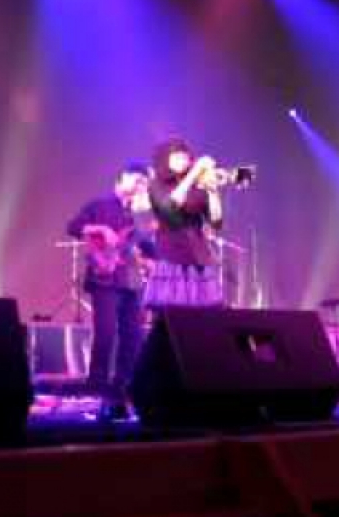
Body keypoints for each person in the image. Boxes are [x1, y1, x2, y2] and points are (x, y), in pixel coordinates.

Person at [67, 162, 152, 420]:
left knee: (133, 337)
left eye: (144, 183)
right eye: (137, 180)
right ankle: (97, 388)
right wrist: (100, 229)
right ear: (122, 179)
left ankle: (121, 388)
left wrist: (155, 258)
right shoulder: (99, 204)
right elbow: (73, 227)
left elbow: (147, 246)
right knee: (105, 333)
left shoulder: (138, 214)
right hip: (105, 279)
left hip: (131, 282)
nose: (140, 186)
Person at [144, 137, 224, 308]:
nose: (182, 160)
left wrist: (213, 192)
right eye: (176, 156)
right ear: (165, 159)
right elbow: (169, 208)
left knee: (202, 316)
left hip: (198, 259)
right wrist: (195, 172)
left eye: (185, 156)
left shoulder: (197, 187)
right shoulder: (156, 184)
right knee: (172, 313)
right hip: (171, 258)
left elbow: (216, 222)